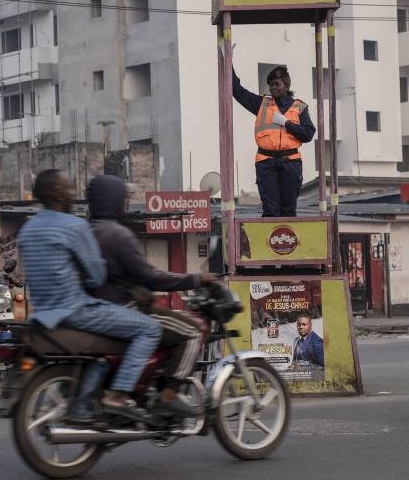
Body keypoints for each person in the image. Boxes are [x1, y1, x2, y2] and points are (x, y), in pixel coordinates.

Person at [18, 169, 162, 418]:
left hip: (43, 313)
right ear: (57, 193)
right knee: (149, 329)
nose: (74, 194)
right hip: (76, 309)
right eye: (70, 188)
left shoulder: (27, 229)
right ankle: (118, 395)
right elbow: (96, 275)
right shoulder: (74, 226)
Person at [86, 174, 216, 416]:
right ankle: (168, 395)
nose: (126, 204)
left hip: (93, 309)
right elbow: (151, 277)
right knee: (193, 331)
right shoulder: (118, 235)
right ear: (116, 201)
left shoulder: (84, 231)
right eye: (123, 199)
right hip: (125, 308)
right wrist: (196, 278)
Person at [232, 63, 316, 217]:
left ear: (286, 85)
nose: (272, 88)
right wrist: (228, 61)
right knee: (270, 210)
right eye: (270, 85)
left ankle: (286, 240)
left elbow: (308, 134)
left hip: (291, 161)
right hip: (266, 162)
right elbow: (237, 91)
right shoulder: (262, 104)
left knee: (288, 210)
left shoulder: (299, 107)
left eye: (277, 84)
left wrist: (287, 123)